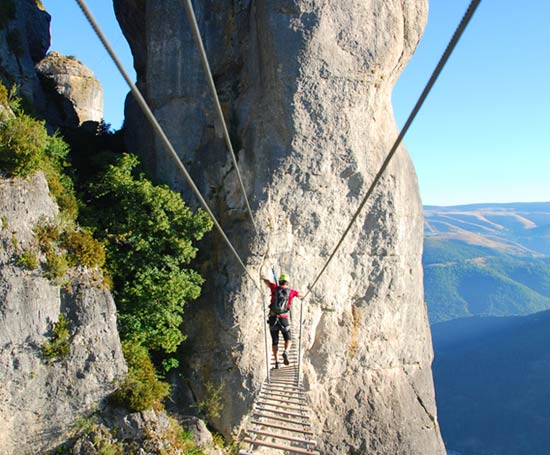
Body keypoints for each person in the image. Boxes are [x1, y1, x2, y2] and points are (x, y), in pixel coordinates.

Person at [262, 273, 305, 369]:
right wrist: (303, 294)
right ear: (287, 282)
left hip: (273, 318)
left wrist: (263, 278)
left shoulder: (274, 287)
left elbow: (267, 282)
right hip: (283, 318)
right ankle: (286, 351)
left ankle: (277, 362)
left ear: (280, 281)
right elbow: (301, 295)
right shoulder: (291, 292)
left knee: (275, 341)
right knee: (288, 338)